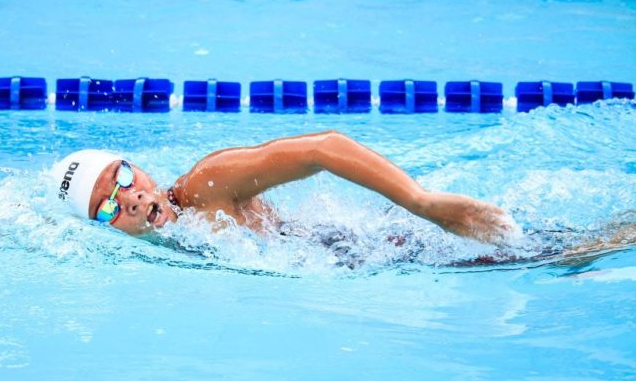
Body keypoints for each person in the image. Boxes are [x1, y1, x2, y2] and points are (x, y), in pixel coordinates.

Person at [53, 130, 518, 245]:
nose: (130, 198)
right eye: (106, 207)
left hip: (369, 249)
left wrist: (424, 204)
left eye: (125, 178)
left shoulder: (205, 184)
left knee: (541, 252)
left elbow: (324, 147)